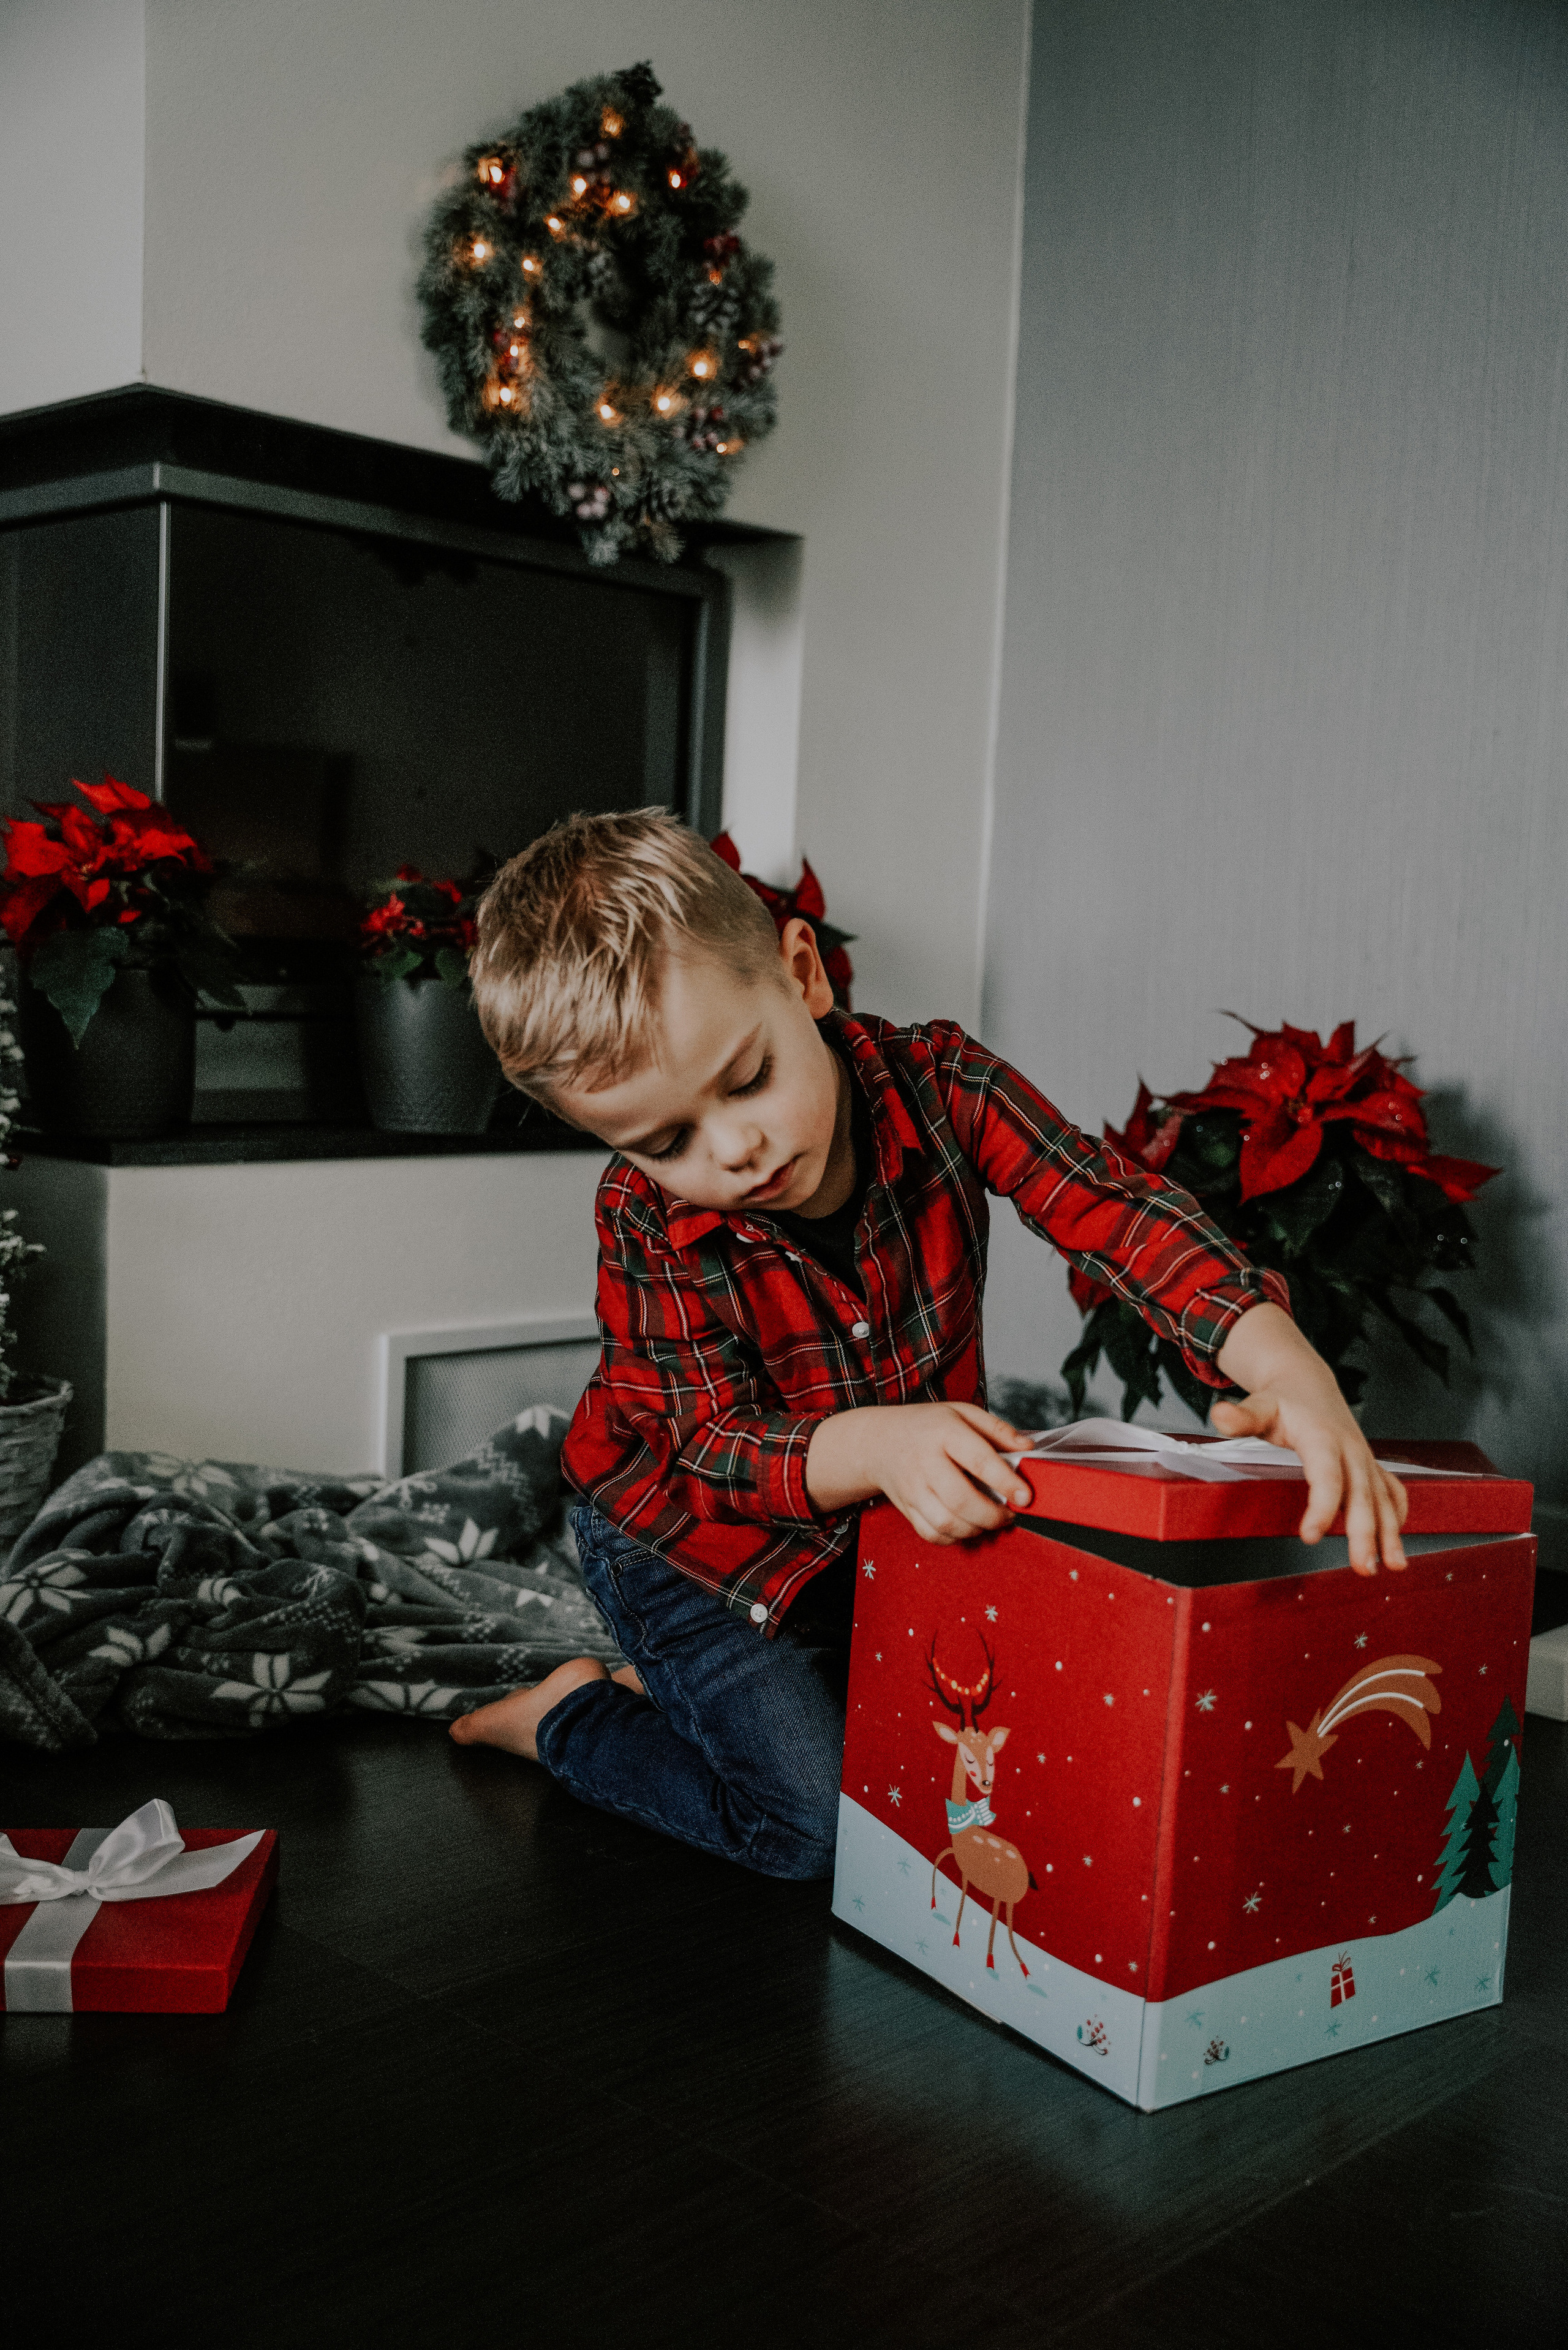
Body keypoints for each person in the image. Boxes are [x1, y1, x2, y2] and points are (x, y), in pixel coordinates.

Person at [451, 810, 1408, 1877]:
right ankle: (569, 1717)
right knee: (815, 1829)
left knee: (992, 1742)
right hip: (688, 1549)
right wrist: (878, 1448)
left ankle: (693, 1693)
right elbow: (712, 1446)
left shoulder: (945, 1081)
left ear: (803, 975)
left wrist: (1286, 1366)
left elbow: (1115, 1211)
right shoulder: (641, 1215)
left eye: (749, 1077)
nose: (738, 1148)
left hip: (866, 1527)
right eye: (667, 1140)